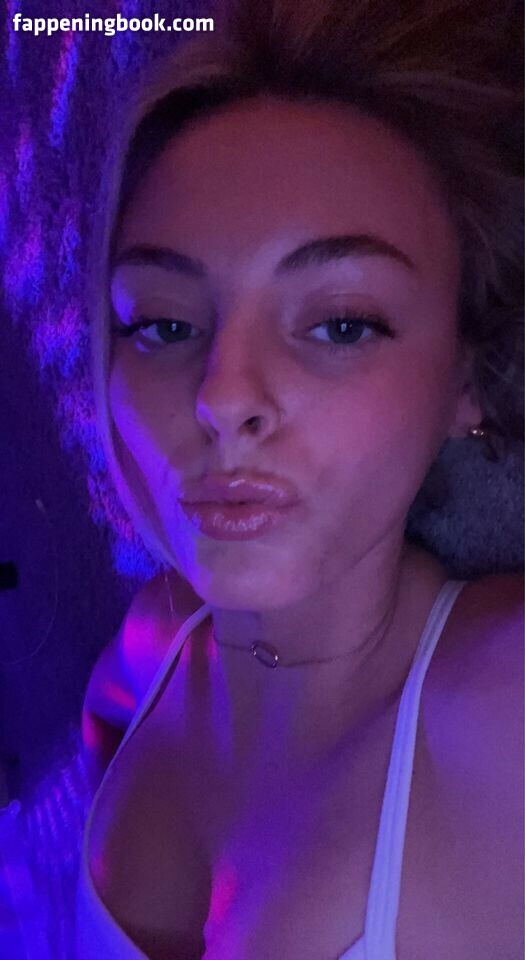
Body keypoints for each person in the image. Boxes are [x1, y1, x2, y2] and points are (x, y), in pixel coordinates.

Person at [76, 1, 524, 957]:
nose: (221, 398)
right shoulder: (150, 649)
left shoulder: (504, 703)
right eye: (162, 324)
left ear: (466, 378)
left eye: (340, 324)